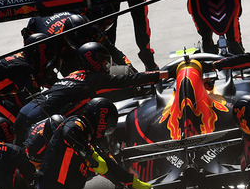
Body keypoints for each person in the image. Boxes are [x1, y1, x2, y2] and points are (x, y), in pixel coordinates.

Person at [13, 42, 167, 144]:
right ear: (93, 60)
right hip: (37, 119)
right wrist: (161, 74)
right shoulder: (92, 79)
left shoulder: (75, 74)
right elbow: (127, 80)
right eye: (104, 61)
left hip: (25, 112)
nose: (107, 65)